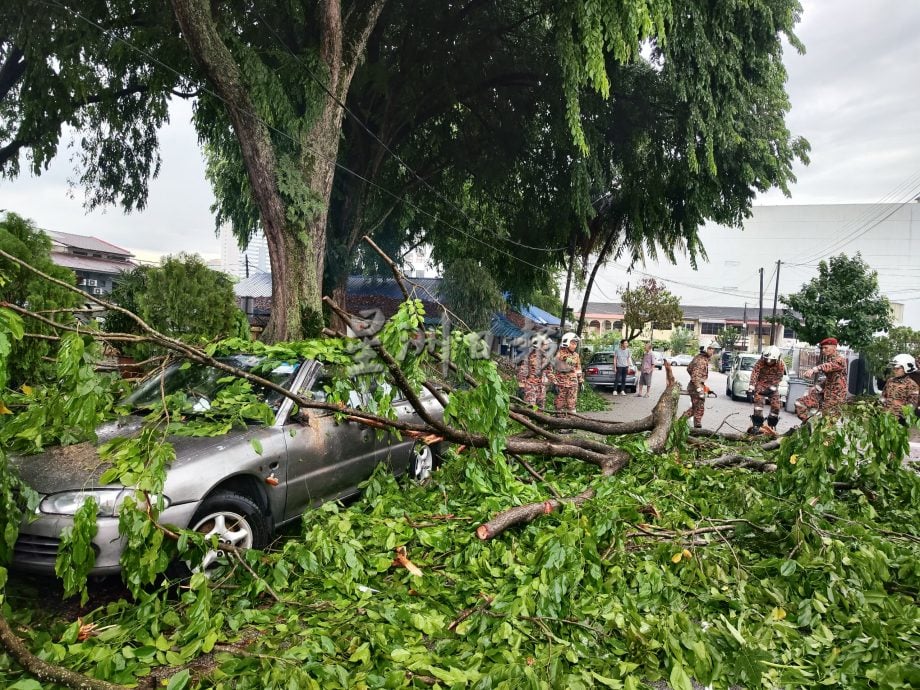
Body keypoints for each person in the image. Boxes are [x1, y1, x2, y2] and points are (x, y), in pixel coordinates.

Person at [794, 337, 848, 422]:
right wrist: (817, 387)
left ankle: (815, 429)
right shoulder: (829, 359)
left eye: (826, 347)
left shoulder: (840, 359)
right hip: (825, 394)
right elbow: (830, 379)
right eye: (822, 348)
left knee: (827, 423)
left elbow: (829, 366)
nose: (823, 350)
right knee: (800, 403)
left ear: (834, 347)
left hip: (835, 398)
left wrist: (814, 369)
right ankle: (808, 425)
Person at [747, 345, 786, 435]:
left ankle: (771, 424)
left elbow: (779, 378)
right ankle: (757, 423)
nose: (768, 362)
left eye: (771, 360)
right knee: (758, 404)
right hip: (761, 384)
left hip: (773, 386)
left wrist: (772, 388)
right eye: (767, 359)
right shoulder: (760, 362)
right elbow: (754, 375)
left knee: (776, 405)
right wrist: (751, 389)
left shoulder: (780, 364)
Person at [681, 341, 717, 428]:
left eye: (713, 349)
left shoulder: (700, 357)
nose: (712, 351)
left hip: (696, 385)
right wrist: (699, 389)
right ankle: (696, 425)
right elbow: (695, 377)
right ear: (705, 349)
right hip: (695, 387)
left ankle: (683, 422)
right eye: (710, 349)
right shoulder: (701, 361)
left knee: (696, 407)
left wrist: (705, 388)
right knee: (698, 407)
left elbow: (689, 368)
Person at [879, 353, 919, 423]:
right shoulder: (890, 381)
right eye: (893, 368)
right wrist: (879, 406)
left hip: (899, 419)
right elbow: (883, 396)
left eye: (897, 368)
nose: (894, 370)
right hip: (885, 416)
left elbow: (912, 404)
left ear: (906, 368)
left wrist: (903, 417)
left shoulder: (912, 385)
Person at [553, 331, 583, 419]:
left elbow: (578, 368)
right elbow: (567, 360)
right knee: (560, 404)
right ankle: (559, 424)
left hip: (573, 383)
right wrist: (554, 383)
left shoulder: (576, 355)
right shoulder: (560, 353)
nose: (574, 346)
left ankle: (571, 424)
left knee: (572, 404)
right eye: (572, 343)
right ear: (566, 342)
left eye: (575, 344)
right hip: (561, 383)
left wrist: (581, 380)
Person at [521, 334, 552, 408]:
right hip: (531, 386)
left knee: (540, 410)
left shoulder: (547, 357)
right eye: (546, 344)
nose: (547, 347)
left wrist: (554, 382)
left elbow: (549, 371)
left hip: (542, 387)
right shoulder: (529, 355)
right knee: (530, 409)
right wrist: (521, 385)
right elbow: (523, 370)